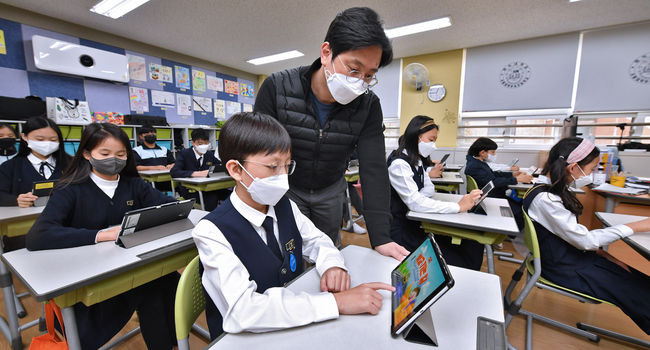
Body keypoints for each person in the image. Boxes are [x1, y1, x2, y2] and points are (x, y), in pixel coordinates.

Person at [193, 112, 393, 339]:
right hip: (249, 339)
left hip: (294, 326)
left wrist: (332, 264)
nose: (283, 177)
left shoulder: (284, 206)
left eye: (287, 166)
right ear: (236, 169)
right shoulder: (211, 231)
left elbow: (317, 241)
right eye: (272, 166)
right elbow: (244, 311)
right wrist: (335, 302)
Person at [254, 7, 408, 259]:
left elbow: (374, 170)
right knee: (287, 255)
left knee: (326, 255)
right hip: (287, 188)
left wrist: (381, 237)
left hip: (330, 190)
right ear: (327, 53)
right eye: (354, 69)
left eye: (369, 75)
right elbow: (258, 153)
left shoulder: (368, 105)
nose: (360, 81)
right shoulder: (277, 87)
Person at [25, 123, 179, 349]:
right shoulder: (69, 189)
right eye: (105, 154)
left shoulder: (134, 184)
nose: (113, 160)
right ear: (87, 154)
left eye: (120, 154)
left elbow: (168, 206)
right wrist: (99, 235)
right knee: (153, 288)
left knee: (164, 281)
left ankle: (170, 340)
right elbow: (38, 236)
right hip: (90, 274)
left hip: (132, 264)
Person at [523, 137, 650, 334]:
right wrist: (635, 226)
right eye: (592, 169)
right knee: (640, 294)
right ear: (573, 168)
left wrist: (605, 255)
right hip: (565, 267)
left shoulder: (548, 191)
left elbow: (575, 238)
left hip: (572, 259)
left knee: (639, 281)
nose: (592, 174)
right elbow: (585, 240)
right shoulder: (546, 199)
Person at [388, 116, 484, 270]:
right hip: (402, 231)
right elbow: (415, 202)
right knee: (462, 259)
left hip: (416, 222)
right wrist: (457, 207)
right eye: (431, 139)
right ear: (415, 137)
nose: (434, 145)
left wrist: (419, 201)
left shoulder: (417, 161)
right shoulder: (399, 164)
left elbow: (428, 189)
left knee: (473, 244)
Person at [0, 117, 71, 207]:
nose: (47, 143)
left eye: (53, 140)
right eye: (40, 139)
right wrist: (16, 200)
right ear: (24, 137)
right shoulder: (10, 167)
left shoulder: (70, 164)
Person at [170, 128, 229, 210]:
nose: (204, 146)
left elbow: (220, 166)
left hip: (209, 187)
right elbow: (174, 172)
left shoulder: (209, 154)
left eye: (206, 143)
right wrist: (196, 174)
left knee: (231, 195)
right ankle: (209, 219)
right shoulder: (184, 154)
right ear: (192, 143)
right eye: (200, 143)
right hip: (190, 189)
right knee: (212, 198)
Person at [464, 137, 532, 198]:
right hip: (490, 197)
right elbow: (493, 182)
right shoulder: (475, 166)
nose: (494, 154)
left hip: (491, 194)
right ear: (482, 152)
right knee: (521, 205)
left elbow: (492, 174)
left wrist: (512, 175)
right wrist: (516, 180)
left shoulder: (478, 162)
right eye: (493, 152)